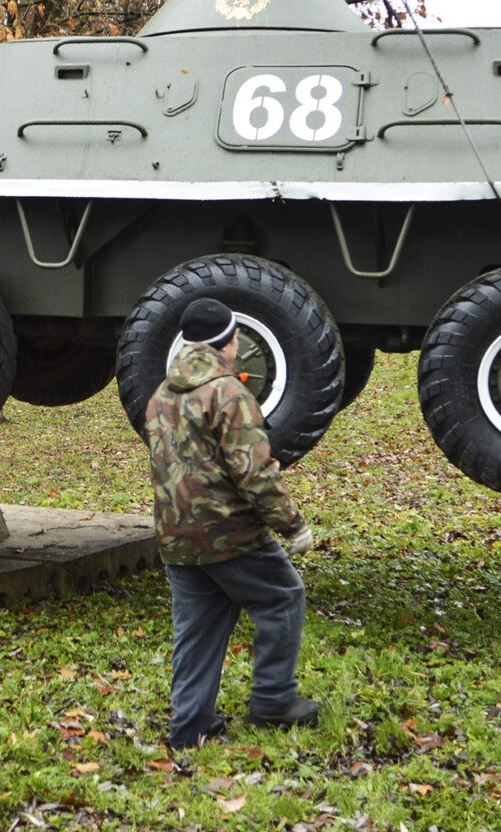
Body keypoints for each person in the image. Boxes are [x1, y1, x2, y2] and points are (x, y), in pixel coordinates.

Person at [144, 296, 320, 750]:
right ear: (225, 342)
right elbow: (255, 473)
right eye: (236, 338)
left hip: (175, 535)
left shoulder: (162, 394)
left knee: (198, 629)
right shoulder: (228, 393)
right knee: (283, 598)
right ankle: (273, 701)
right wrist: (293, 525)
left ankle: (190, 727)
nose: (239, 346)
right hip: (229, 532)